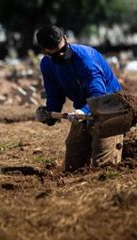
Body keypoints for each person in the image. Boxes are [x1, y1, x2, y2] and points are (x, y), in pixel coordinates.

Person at [34, 25, 123, 172]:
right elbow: (54, 94)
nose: (61, 55)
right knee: (72, 162)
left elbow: (99, 94)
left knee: (103, 165)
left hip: (110, 108)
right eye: (55, 55)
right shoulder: (47, 65)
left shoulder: (85, 59)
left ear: (66, 39)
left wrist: (83, 111)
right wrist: (50, 113)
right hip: (83, 109)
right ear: (44, 52)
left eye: (63, 50)